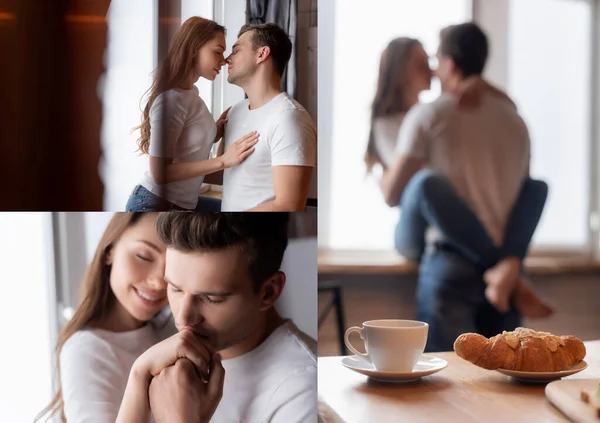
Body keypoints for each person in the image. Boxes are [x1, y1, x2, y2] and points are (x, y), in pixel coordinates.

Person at [377, 23, 552, 352]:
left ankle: (506, 272)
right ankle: (508, 272)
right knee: (504, 386)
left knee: (448, 387)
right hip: (504, 267)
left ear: (450, 65)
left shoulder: (430, 115)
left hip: (451, 262)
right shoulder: (516, 121)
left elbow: (392, 194)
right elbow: (521, 192)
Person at [116, 213, 317, 423]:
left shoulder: (301, 393)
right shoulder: (161, 361)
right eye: (175, 289)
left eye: (211, 298)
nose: (183, 317)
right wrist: (138, 376)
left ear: (268, 292)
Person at [34, 212, 177, 423]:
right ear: (109, 250)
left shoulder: (172, 332)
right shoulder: (87, 349)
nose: (158, 282)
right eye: (144, 256)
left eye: (174, 267)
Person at [125, 17, 260, 212]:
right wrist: (223, 160)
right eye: (217, 52)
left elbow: (186, 145)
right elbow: (159, 173)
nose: (223, 60)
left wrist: (215, 132)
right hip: (153, 203)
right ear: (194, 48)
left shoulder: (191, 95)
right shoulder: (171, 100)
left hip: (184, 203)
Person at [212, 23, 317, 211]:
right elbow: (224, 172)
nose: (227, 59)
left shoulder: (289, 118)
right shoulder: (235, 111)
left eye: (236, 51)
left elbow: (289, 204)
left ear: (262, 54)